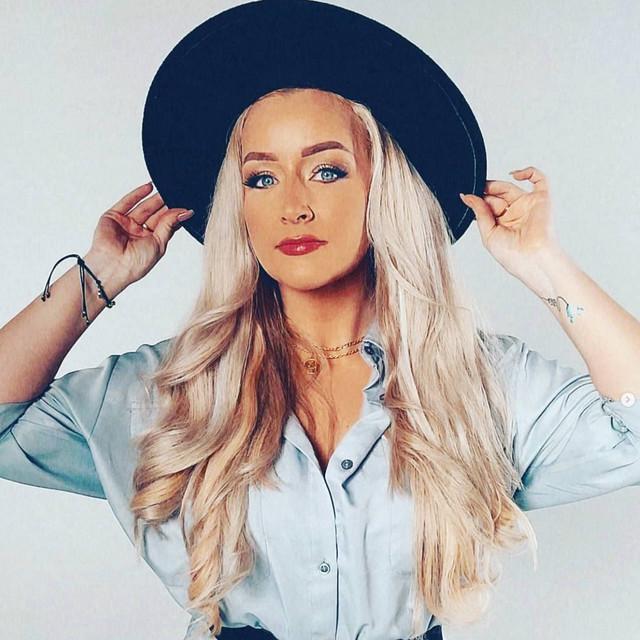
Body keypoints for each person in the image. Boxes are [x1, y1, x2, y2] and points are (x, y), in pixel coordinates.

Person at [1, 2, 639, 640]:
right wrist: (98, 275)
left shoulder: (474, 380)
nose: (293, 206)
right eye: (261, 178)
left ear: (382, 188)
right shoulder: (173, 390)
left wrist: (542, 263)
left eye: (326, 170)